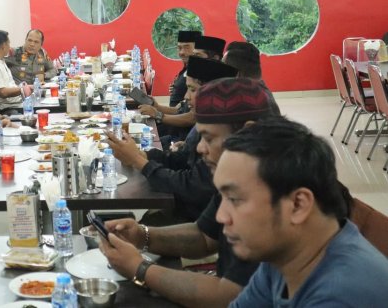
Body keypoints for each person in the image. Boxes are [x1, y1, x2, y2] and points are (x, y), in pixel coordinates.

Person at [99, 78, 279, 307]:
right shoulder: (238, 173)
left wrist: (140, 268)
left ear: (248, 131)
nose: (200, 148)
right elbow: (204, 235)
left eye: (209, 138)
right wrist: (142, 235)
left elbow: (228, 295)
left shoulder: (271, 191)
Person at [221, 118, 388, 306]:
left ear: (298, 205)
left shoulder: (341, 294)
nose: (221, 216)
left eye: (234, 199)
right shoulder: (285, 255)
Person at [107, 56, 239, 223]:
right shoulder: (206, 124)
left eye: (192, 89)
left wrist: (137, 161)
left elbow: (189, 185)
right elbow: (181, 159)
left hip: (193, 218)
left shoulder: (224, 133)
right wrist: (141, 154)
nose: (186, 96)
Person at [168, 30, 201, 107]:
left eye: (187, 48)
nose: (182, 52)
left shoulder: (200, 72)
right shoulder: (186, 68)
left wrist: (158, 109)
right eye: (179, 48)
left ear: (197, 49)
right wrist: (176, 88)